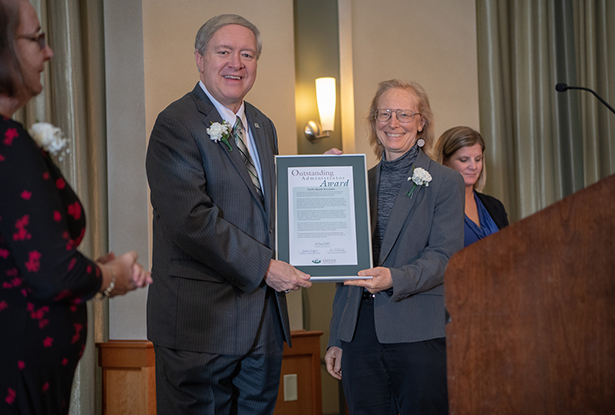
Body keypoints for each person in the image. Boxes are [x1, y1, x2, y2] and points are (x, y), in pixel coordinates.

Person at [145, 14, 313, 415]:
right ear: (200, 59)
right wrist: (266, 267)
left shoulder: (262, 125)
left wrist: (318, 178)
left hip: (262, 329)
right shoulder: (176, 124)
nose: (236, 63)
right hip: (201, 326)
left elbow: (269, 207)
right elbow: (191, 221)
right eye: (224, 52)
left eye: (247, 54)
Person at [0, 0, 152, 413]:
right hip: (17, 374)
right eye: (37, 39)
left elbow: (27, 256)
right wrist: (109, 274)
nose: (49, 52)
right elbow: (52, 273)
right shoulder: (8, 145)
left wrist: (93, 271)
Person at [325, 79, 464, 415]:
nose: (393, 122)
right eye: (384, 113)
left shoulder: (445, 182)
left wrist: (395, 278)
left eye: (404, 114)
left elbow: (445, 256)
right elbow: (341, 260)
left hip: (418, 331)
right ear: (374, 122)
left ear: (421, 122)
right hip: (359, 334)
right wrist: (337, 337)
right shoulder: (358, 180)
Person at [435, 126, 509, 247]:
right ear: (444, 162)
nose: (473, 166)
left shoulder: (495, 206)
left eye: (478, 159)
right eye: (464, 160)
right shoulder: (433, 207)